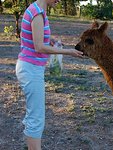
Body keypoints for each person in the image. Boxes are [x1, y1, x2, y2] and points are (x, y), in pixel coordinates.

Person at [15, 0, 83, 149]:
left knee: (34, 114)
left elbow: (35, 39)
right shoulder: (38, 13)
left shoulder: (38, 10)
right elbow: (39, 47)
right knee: (36, 118)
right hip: (30, 70)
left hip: (31, 68)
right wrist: (68, 52)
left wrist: (49, 40)